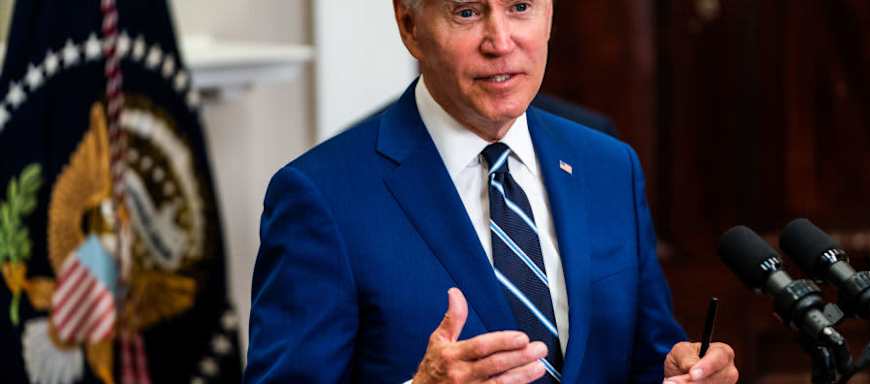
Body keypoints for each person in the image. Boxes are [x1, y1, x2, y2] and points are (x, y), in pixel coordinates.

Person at [244, 0, 739, 383]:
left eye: (520, 7)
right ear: (410, 26)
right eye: (466, 12)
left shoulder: (608, 165)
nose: (500, 41)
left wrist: (681, 371)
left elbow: (646, 352)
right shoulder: (321, 196)